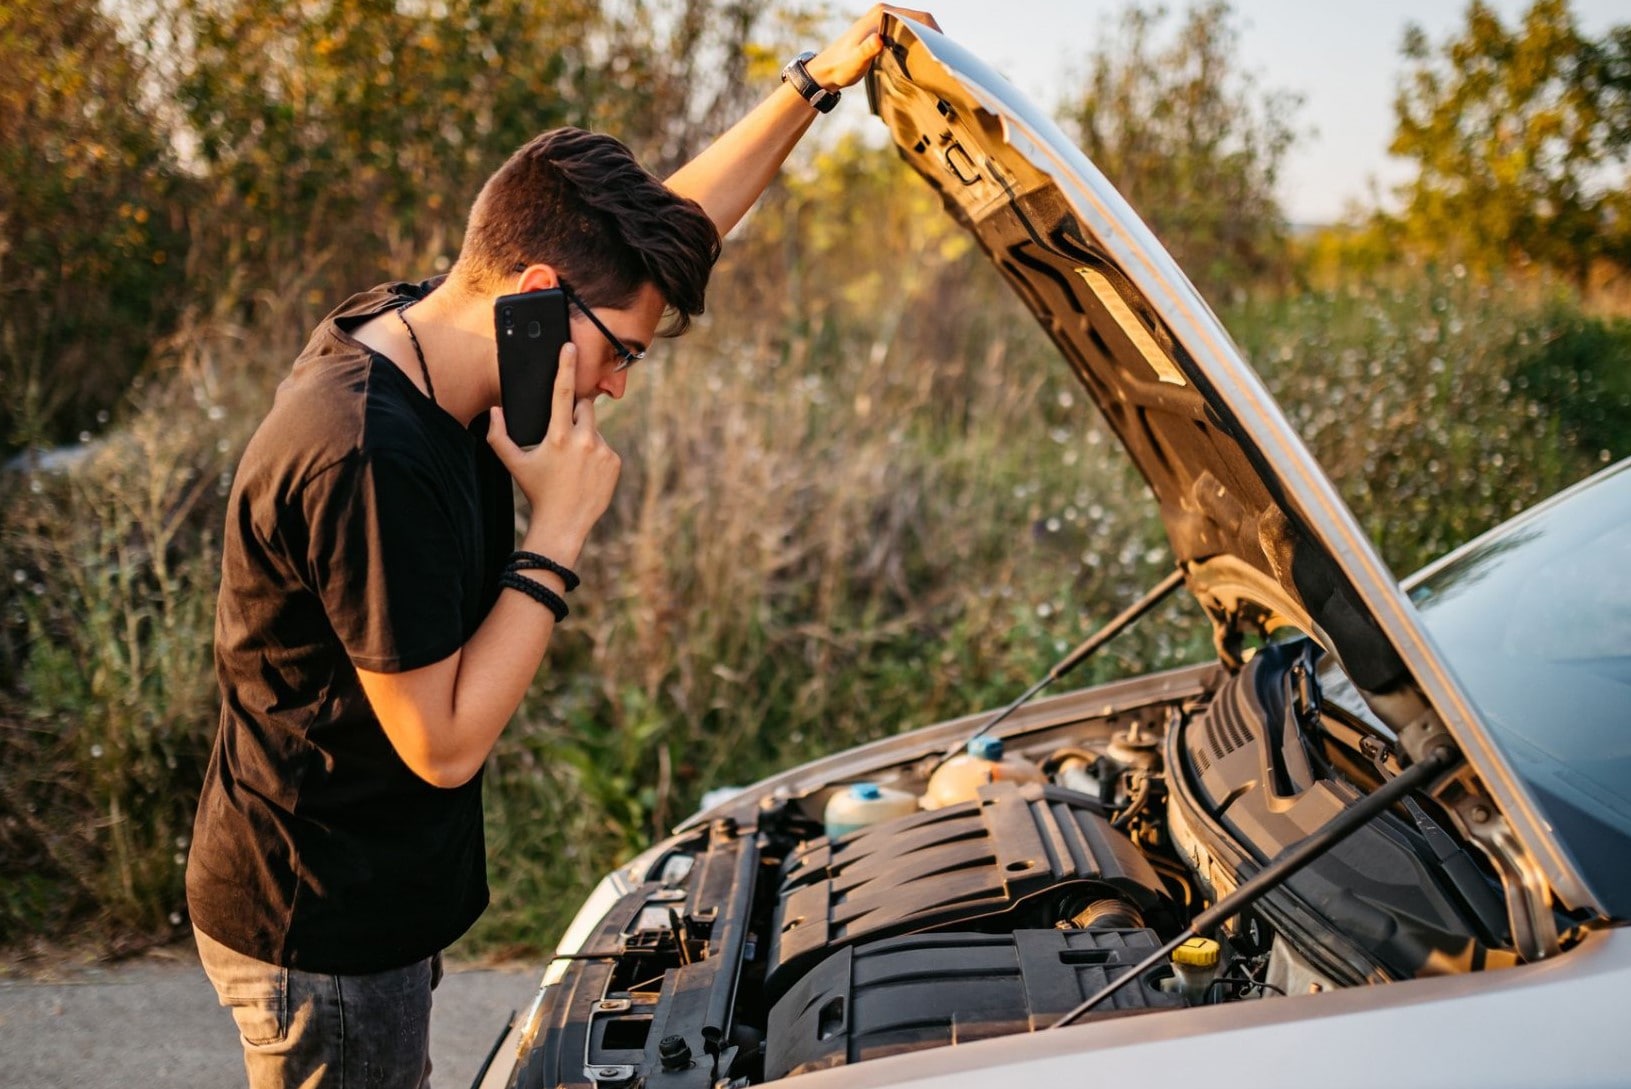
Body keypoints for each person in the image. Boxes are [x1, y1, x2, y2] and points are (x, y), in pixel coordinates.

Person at [184, 6, 938, 1087]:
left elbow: (671, 230)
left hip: (374, 877)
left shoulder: (440, 330)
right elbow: (442, 745)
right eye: (622, 352)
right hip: (324, 921)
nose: (619, 384)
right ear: (539, 298)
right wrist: (560, 528)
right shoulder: (365, 454)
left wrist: (813, 85)